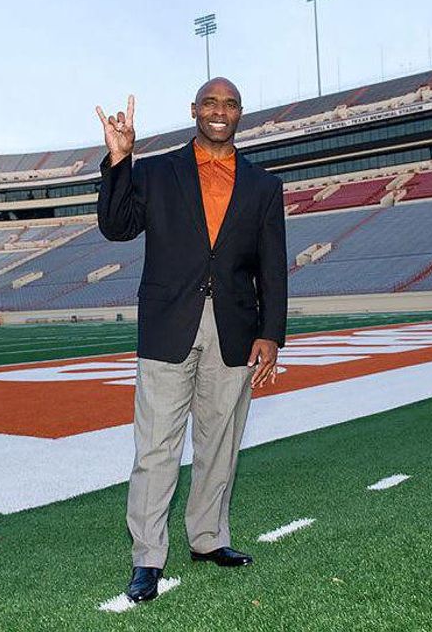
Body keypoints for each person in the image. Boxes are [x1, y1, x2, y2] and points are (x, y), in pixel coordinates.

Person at [96, 77, 287, 603]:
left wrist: (271, 334)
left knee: (219, 445)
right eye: (210, 102)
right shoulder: (155, 172)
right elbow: (116, 227)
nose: (218, 111)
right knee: (156, 445)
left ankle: (207, 539)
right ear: (194, 110)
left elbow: (272, 267)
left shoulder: (264, 187)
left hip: (235, 329)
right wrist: (119, 161)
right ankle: (147, 558)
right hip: (167, 323)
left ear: (240, 113)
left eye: (229, 104)